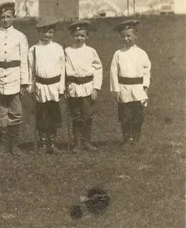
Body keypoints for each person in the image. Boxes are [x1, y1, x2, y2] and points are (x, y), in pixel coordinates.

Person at [0, 2, 29, 156]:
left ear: (13, 17)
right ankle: (3, 144)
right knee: (0, 112)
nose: (5, 20)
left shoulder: (20, 36)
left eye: (8, 17)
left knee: (15, 111)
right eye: (2, 17)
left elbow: (24, 60)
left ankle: (14, 145)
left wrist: (24, 82)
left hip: (14, 77)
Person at [110, 19, 151, 146]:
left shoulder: (142, 53)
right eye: (123, 36)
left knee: (138, 116)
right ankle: (127, 139)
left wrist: (145, 87)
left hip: (138, 89)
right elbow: (113, 72)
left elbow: (146, 71)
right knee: (125, 116)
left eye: (129, 36)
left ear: (135, 36)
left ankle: (136, 138)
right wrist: (115, 89)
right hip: (124, 89)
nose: (126, 39)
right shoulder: (118, 54)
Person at [28, 17, 65, 154]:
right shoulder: (34, 50)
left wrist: (61, 87)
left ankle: (53, 143)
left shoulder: (57, 48)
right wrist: (31, 87)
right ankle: (43, 143)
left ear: (53, 33)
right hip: (40, 87)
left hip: (54, 86)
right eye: (44, 32)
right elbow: (31, 69)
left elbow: (62, 69)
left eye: (50, 32)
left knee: (53, 115)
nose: (47, 35)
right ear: (38, 32)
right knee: (42, 115)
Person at [65, 20, 102, 152]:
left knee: (87, 115)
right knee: (75, 115)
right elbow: (63, 70)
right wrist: (65, 87)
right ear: (71, 36)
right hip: (73, 88)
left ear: (87, 36)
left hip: (87, 88)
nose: (79, 38)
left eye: (82, 35)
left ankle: (86, 141)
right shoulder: (67, 51)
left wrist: (95, 88)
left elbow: (98, 69)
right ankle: (77, 143)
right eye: (76, 35)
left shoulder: (91, 51)